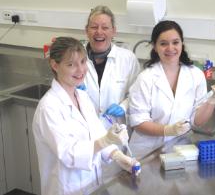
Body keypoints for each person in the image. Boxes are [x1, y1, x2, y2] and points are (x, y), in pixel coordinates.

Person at [32, 37, 140, 195]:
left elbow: (97, 134)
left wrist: (117, 156)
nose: (80, 70)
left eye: (83, 62)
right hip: (66, 188)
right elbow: (69, 154)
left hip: (92, 185)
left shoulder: (82, 96)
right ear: (55, 65)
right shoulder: (49, 108)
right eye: (71, 65)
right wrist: (105, 141)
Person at [128, 20, 215, 159]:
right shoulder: (145, 78)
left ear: (182, 44)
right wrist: (168, 130)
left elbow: (197, 121)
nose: (170, 48)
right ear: (154, 47)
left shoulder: (195, 75)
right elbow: (138, 122)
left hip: (179, 149)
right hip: (146, 153)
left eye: (175, 42)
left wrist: (213, 100)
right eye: (163, 43)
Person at [81, 5, 140, 129]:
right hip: (85, 132)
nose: (99, 32)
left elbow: (136, 95)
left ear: (113, 31)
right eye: (94, 27)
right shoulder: (75, 58)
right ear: (86, 31)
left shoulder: (128, 59)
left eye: (105, 27)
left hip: (116, 131)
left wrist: (123, 106)